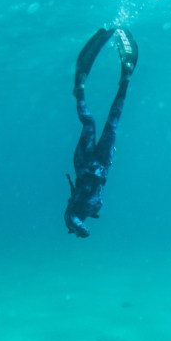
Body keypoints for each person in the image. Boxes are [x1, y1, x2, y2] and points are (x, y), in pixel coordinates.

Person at [64, 27, 138, 238]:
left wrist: (82, 231)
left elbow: (77, 224)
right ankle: (125, 80)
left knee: (89, 124)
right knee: (113, 123)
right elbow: (83, 224)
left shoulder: (71, 215)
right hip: (103, 165)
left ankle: (79, 90)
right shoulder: (91, 211)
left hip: (85, 163)